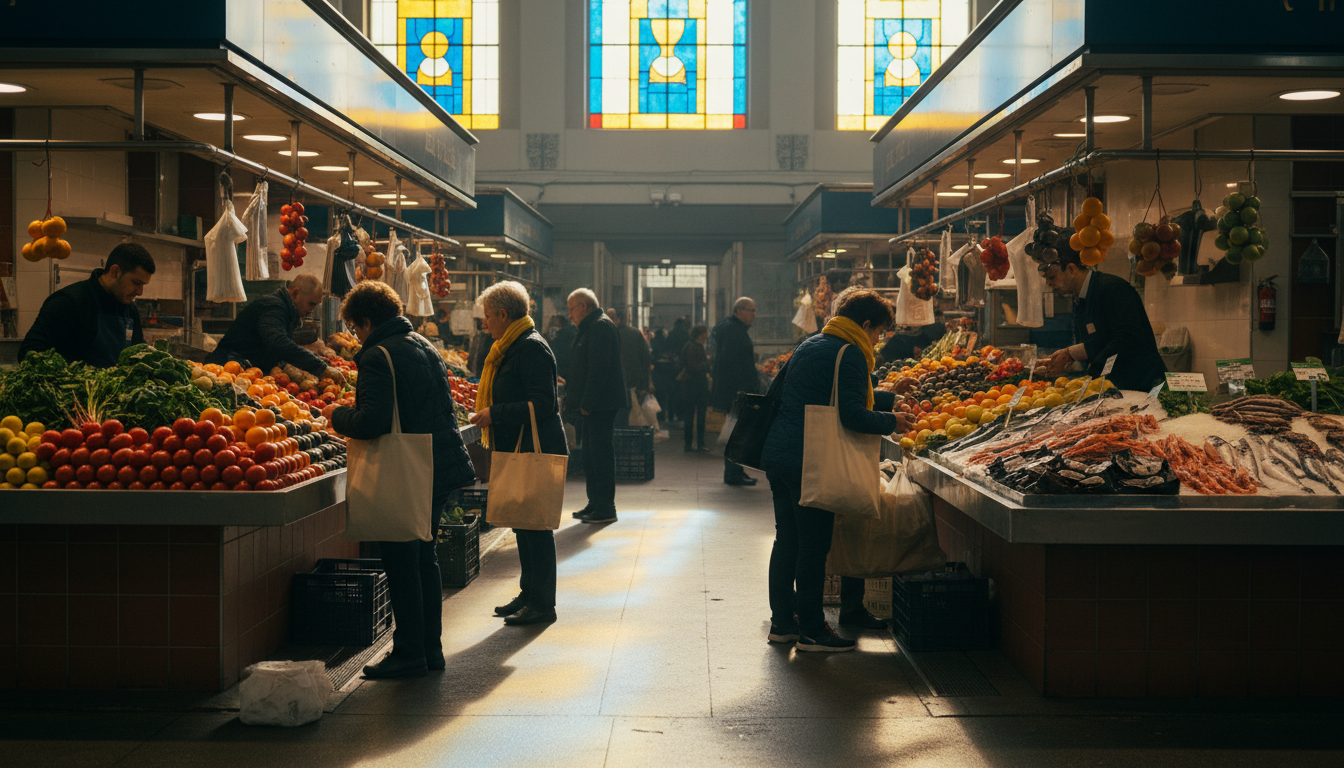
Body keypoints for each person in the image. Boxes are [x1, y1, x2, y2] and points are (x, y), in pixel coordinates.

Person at [331, 281, 477, 679]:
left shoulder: (378, 355)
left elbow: (372, 422)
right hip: (437, 465)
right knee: (424, 558)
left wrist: (337, 415)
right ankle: (431, 648)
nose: (357, 336)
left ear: (365, 320)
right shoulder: (422, 345)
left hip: (407, 472)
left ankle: (410, 651)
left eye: (356, 328)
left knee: (401, 561)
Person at [759, 288, 915, 652]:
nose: (878, 339)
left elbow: (830, 390)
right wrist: (893, 420)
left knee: (787, 540)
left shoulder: (815, 343)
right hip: (809, 459)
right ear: (865, 324)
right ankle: (814, 630)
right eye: (878, 331)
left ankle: (783, 623)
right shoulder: (850, 353)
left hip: (780, 454)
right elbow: (852, 413)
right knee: (813, 548)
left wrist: (888, 396)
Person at [468, 281, 565, 626]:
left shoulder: (530, 348)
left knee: (536, 525)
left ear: (504, 315)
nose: (485, 323)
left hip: (534, 449)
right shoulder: (511, 346)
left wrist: (496, 413)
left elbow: (543, 404)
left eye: (488, 316)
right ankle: (529, 593)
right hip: (517, 446)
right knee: (523, 525)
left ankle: (542, 604)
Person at [1034, 248, 1167, 391]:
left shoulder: (1112, 288)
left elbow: (1127, 337)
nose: (1048, 283)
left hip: (1144, 385)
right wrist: (1068, 360)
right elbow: (1103, 339)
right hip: (1118, 387)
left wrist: (1072, 356)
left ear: (1071, 269)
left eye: (1052, 277)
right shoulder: (1081, 297)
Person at [20, 242, 155, 367]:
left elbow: (139, 356)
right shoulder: (68, 302)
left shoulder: (130, 310)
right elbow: (30, 351)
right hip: (72, 392)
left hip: (117, 392)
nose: (140, 292)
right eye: (136, 283)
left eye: (143, 285)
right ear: (115, 271)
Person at [206, 274, 346, 385]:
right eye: (311, 304)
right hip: (226, 369)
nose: (311, 310)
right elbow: (278, 343)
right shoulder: (274, 307)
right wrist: (321, 368)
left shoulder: (284, 308)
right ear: (295, 293)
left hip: (244, 370)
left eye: (315, 306)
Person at [566, 288, 625, 524]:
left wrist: (588, 401)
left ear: (584, 306)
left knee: (600, 455)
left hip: (600, 404)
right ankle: (595, 503)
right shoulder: (590, 327)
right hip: (593, 403)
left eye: (571, 309)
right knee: (590, 455)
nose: (569, 316)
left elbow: (598, 369)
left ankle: (606, 507)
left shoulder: (600, 326)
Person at [711, 297, 761, 486]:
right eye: (751, 310)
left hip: (732, 391)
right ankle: (733, 473)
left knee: (736, 432)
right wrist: (745, 389)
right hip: (736, 392)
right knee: (736, 434)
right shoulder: (734, 332)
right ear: (739, 311)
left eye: (755, 310)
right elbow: (735, 365)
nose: (754, 315)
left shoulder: (732, 329)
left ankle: (736, 471)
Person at [607, 307, 652, 426]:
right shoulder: (635, 334)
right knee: (626, 420)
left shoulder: (603, 334)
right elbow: (645, 360)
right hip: (630, 385)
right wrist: (646, 384)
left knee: (612, 421)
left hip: (609, 385)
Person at [680, 324, 711, 453]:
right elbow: (693, 366)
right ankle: (697, 444)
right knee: (698, 415)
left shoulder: (691, 346)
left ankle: (690, 444)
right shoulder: (693, 347)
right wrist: (707, 362)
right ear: (701, 335)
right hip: (695, 385)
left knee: (690, 415)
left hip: (691, 386)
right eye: (705, 334)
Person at [550, 315, 577, 381]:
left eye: (559, 326)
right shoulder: (547, 341)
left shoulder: (563, 341)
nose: (555, 329)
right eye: (554, 325)